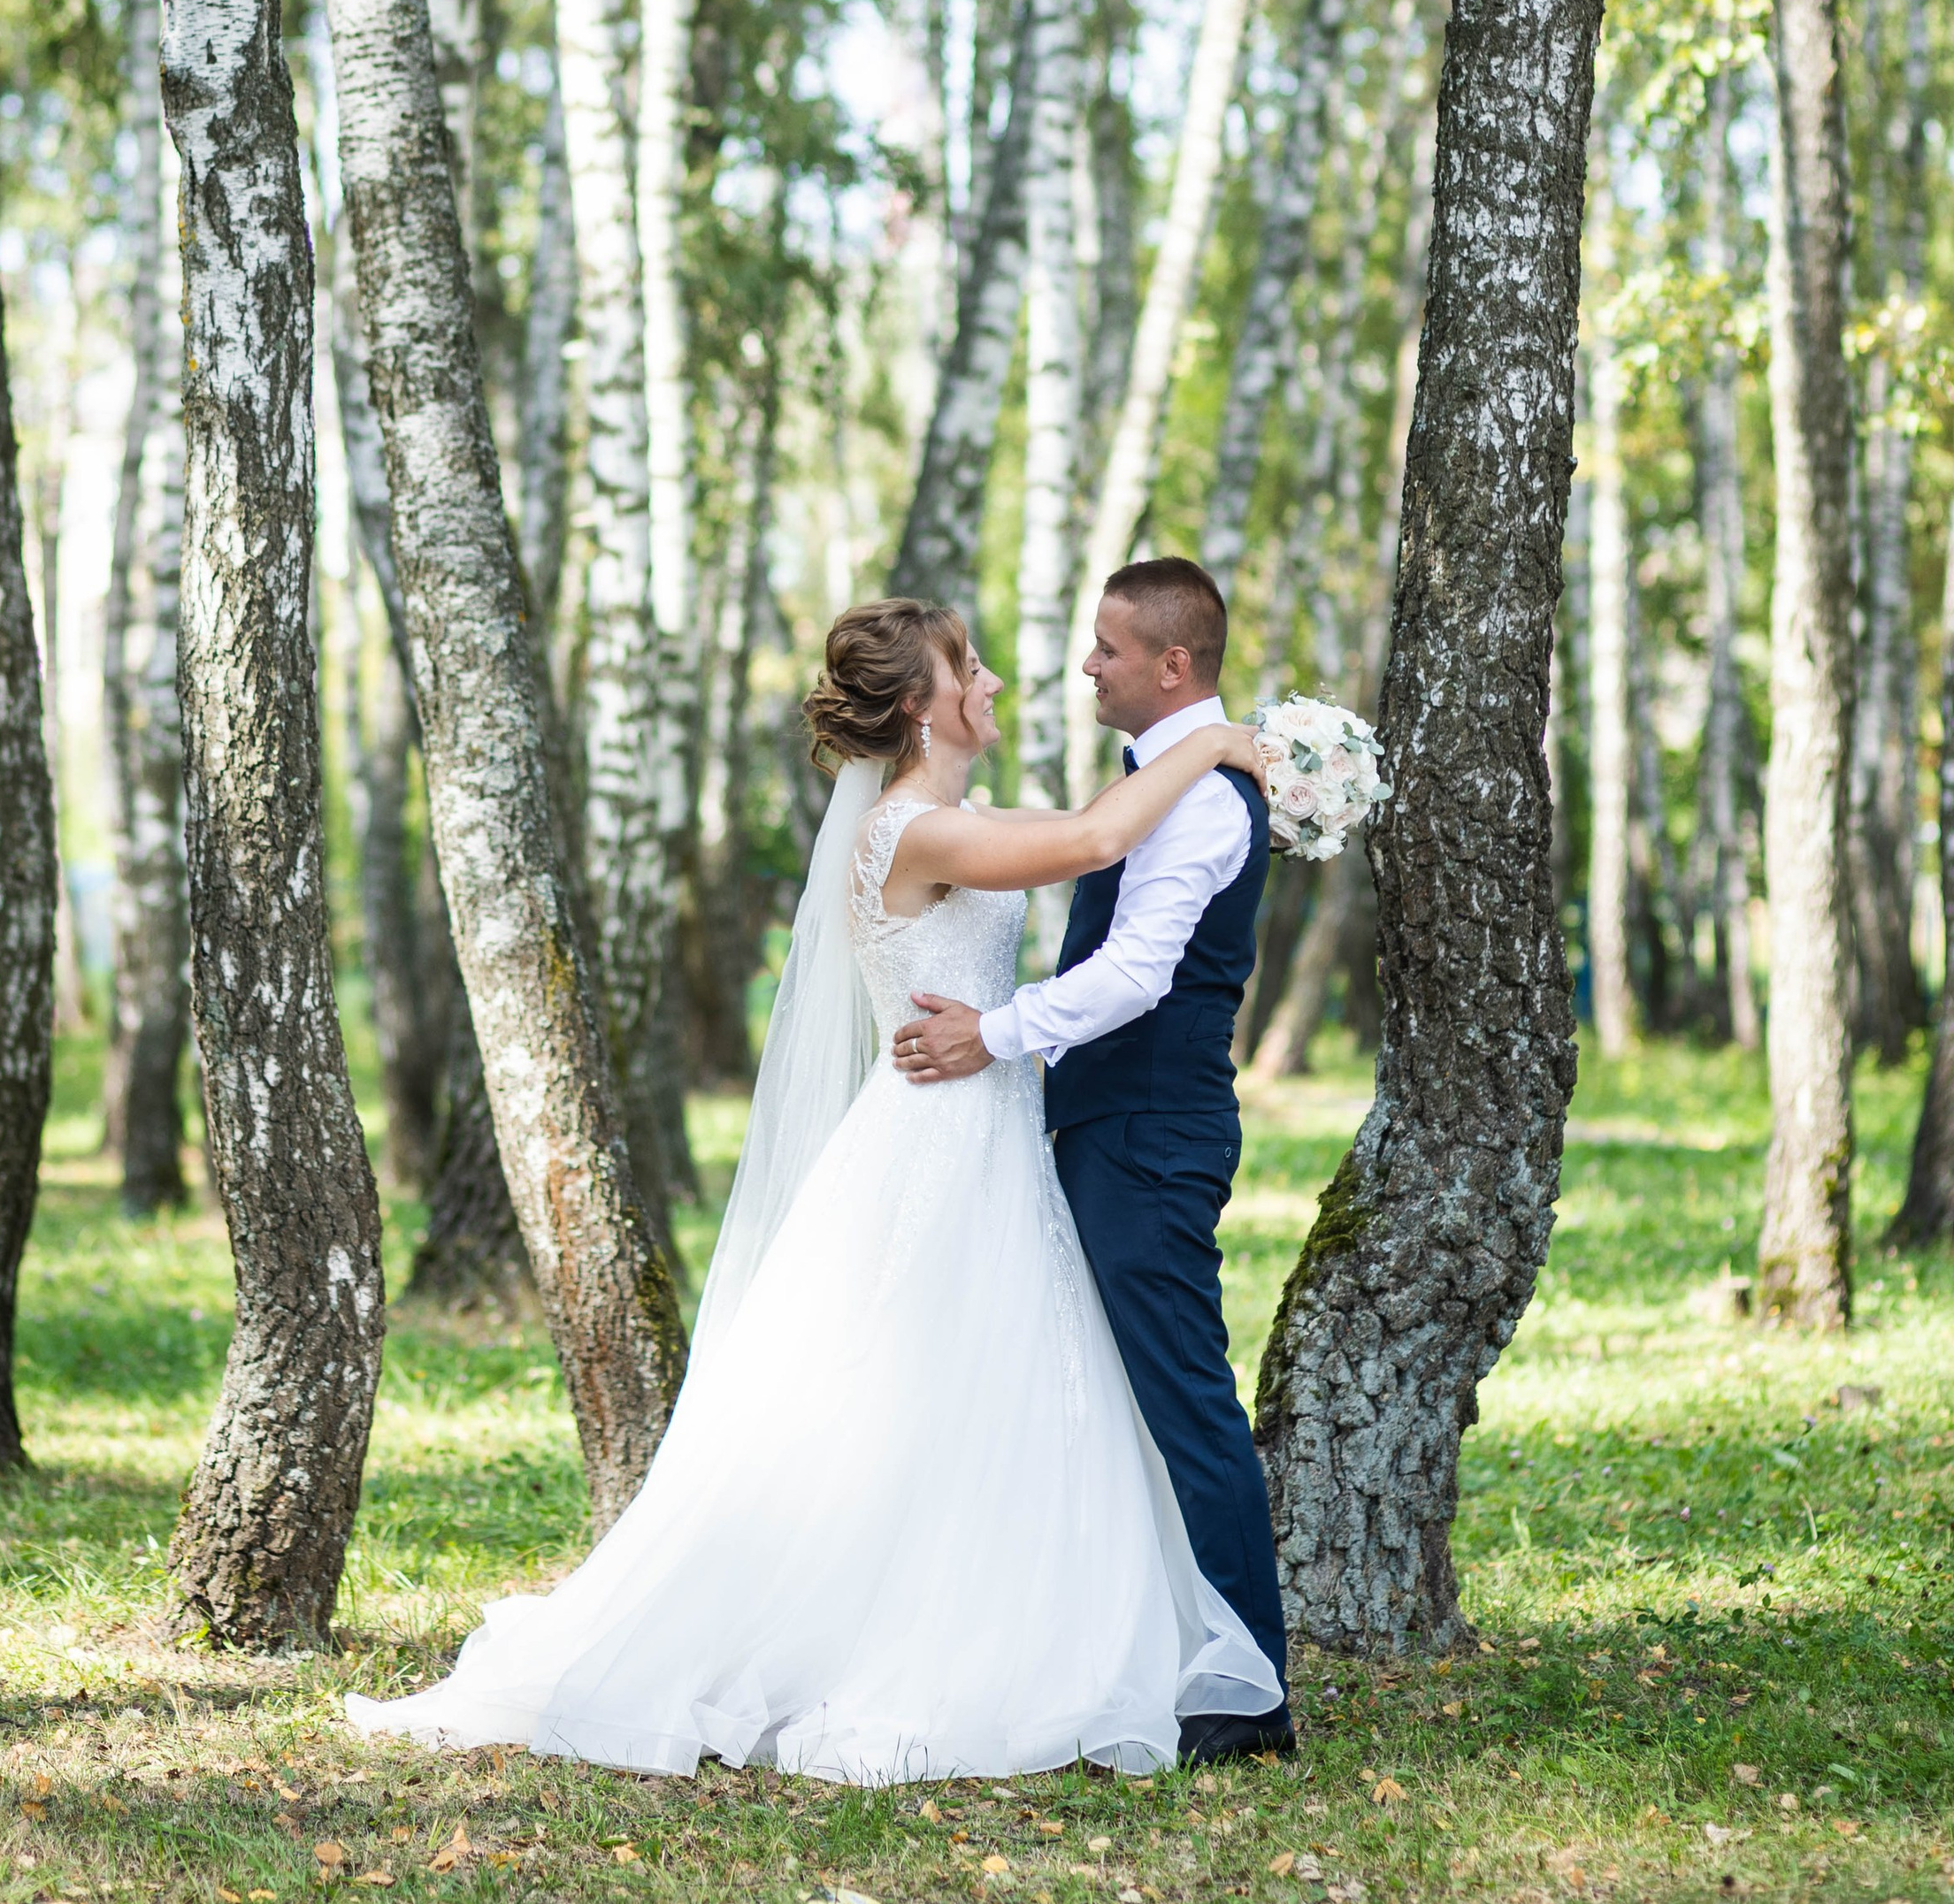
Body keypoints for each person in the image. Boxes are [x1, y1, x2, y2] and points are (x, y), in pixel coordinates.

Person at [346, 593, 1285, 1781]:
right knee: (897, 1395)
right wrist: (1218, 740)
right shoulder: (913, 834)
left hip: (990, 1130)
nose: (994, 680)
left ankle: (991, 1614)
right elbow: (1099, 841)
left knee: (973, 1393)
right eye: (969, 667)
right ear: (921, 707)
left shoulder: (959, 819)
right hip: (938, 1136)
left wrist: (1214, 759)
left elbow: (1100, 824)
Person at [893, 556, 1295, 1761]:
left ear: (1171, 663)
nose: (1086, 666)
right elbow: (1083, 849)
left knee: (1184, 1400)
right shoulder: (1159, 781)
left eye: (1108, 648)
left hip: (1151, 1135)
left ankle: (1248, 1698)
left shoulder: (1205, 801)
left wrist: (995, 1033)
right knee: (1112, 1400)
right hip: (1104, 1126)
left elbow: (1136, 975)